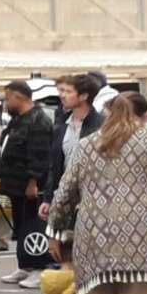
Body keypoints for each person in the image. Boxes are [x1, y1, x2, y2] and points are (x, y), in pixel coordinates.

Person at [49, 92, 147, 294]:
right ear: (146, 115)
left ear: (108, 114)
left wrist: (55, 230)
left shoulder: (86, 145)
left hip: (93, 243)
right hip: (146, 244)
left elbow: (65, 193)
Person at [0, 80, 54, 289]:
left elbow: (40, 155)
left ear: (19, 97)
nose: (6, 102)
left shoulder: (38, 121)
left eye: (8, 98)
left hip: (29, 186)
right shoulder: (18, 120)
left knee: (33, 225)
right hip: (14, 185)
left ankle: (39, 268)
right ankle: (25, 265)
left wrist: (33, 181)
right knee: (20, 226)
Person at [44, 72, 105, 206]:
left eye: (68, 91)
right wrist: (48, 199)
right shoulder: (61, 125)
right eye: (62, 90)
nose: (62, 95)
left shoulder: (102, 126)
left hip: (92, 199)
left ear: (84, 96)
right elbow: (54, 166)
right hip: (64, 198)